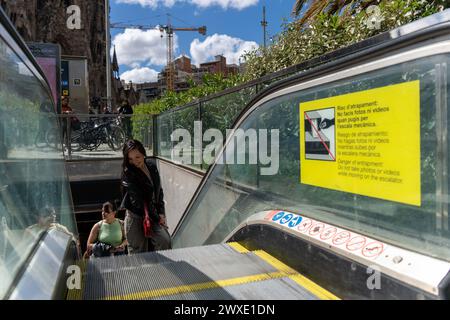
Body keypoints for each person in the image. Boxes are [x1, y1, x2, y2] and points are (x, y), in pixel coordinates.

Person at [120, 139, 171, 254]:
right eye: (130, 159)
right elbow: (139, 202)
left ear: (143, 154)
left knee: (164, 241)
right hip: (135, 217)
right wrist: (158, 218)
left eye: (137, 157)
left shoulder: (151, 166)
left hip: (153, 213)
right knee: (138, 254)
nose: (135, 162)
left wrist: (161, 212)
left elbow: (159, 191)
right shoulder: (128, 174)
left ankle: (160, 269)